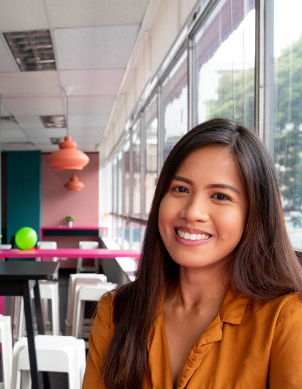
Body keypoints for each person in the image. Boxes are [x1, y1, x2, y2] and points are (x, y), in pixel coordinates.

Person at [83, 118, 302, 388]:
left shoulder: (286, 320)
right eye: (181, 189)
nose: (192, 212)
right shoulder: (117, 311)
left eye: (220, 196)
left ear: (253, 214)